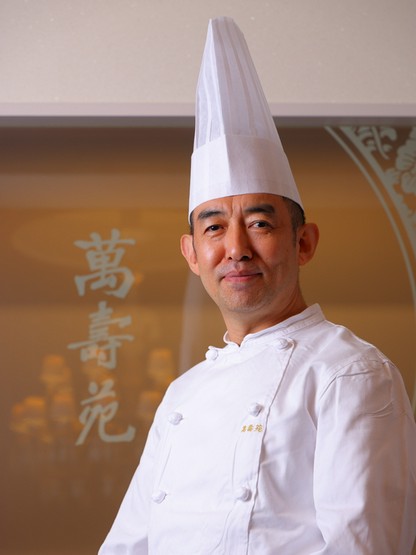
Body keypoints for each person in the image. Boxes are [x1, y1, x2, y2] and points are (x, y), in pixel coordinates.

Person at [99, 17, 416, 554]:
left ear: (304, 242)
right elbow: (128, 543)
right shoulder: (184, 393)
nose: (236, 248)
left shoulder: (349, 373)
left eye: (261, 223)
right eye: (214, 228)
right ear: (191, 254)